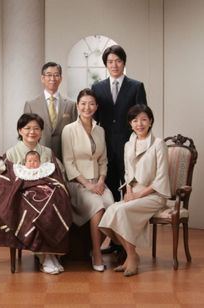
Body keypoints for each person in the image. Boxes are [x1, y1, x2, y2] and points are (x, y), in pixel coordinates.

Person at [0, 113, 72, 275]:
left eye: (36, 128)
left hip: (47, 195)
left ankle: (49, 254)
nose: (32, 132)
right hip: (20, 198)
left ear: (41, 132)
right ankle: (46, 257)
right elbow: (1, 181)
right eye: (27, 128)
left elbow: (59, 176)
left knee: (56, 202)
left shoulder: (47, 152)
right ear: (20, 130)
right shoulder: (11, 154)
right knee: (35, 209)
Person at [99, 104, 171, 277]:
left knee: (122, 211)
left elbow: (161, 178)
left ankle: (131, 257)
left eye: (144, 119)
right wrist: (129, 191)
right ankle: (133, 255)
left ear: (151, 121)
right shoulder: (128, 144)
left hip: (154, 194)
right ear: (130, 124)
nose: (140, 124)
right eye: (135, 120)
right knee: (111, 211)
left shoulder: (158, 144)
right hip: (134, 193)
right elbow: (127, 173)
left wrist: (138, 194)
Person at [92, 44, 147, 254]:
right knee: (111, 191)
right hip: (105, 147)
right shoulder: (98, 88)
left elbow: (142, 116)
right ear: (106, 65)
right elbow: (94, 118)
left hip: (129, 145)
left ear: (124, 63)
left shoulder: (136, 86)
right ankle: (115, 241)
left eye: (118, 61)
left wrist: (140, 145)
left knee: (128, 191)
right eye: (110, 62)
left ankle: (127, 245)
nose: (114, 65)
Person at [61, 88, 114, 272]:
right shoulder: (69, 130)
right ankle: (97, 254)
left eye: (91, 103)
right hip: (78, 183)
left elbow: (103, 160)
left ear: (96, 106)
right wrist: (88, 184)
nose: (87, 107)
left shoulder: (100, 130)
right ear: (77, 106)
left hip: (98, 181)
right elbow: (68, 162)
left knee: (110, 203)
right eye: (83, 103)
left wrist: (100, 181)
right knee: (97, 205)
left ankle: (96, 247)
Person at [24, 62, 77, 161]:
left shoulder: (71, 105)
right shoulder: (31, 105)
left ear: (61, 78)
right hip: (38, 158)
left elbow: (74, 134)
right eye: (49, 75)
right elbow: (25, 134)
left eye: (56, 75)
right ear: (42, 78)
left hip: (65, 158)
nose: (52, 78)